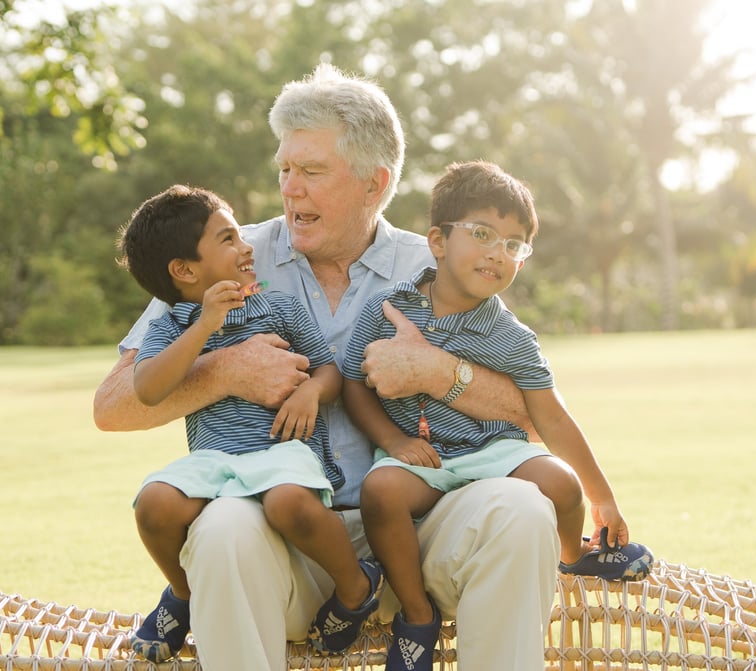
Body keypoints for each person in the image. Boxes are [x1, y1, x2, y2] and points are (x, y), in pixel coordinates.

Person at [93, 63, 560, 671]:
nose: (291, 189)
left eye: (312, 172)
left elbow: (532, 413)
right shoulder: (224, 259)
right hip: (283, 536)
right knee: (224, 527)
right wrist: (226, 370)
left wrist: (438, 371)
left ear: (375, 183)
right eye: (285, 169)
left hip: (421, 529)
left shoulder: (445, 264)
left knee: (521, 510)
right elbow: (112, 407)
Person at [342, 160, 653, 670]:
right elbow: (354, 384)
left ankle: (571, 558)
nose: (497, 253)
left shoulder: (512, 336)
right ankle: (416, 617)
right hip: (421, 459)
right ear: (438, 242)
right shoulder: (388, 308)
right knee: (381, 493)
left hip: (492, 452)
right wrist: (392, 443)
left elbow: (551, 418)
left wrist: (604, 497)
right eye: (482, 233)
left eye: (513, 244)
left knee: (561, 482)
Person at [118, 184, 384, 662]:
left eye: (240, 236)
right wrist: (204, 325)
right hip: (216, 460)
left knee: (289, 505)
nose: (245, 248)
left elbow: (328, 372)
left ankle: (354, 586)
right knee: (153, 504)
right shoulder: (173, 325)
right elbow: (148, 389)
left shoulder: (276, 307)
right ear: (184, 270)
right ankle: (185, 593)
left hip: (280, 450)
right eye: (227, 239)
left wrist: (308, 392)